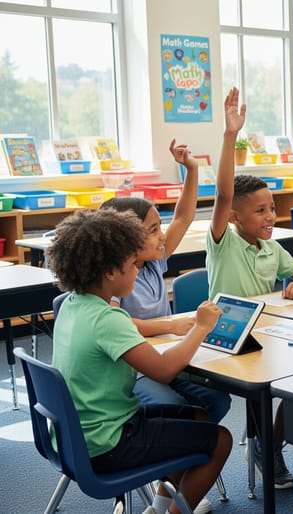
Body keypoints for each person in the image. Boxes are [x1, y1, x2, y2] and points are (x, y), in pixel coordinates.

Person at [48, 209, 231, 514]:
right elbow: (164, 370)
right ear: (109, 272)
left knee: (197, 416)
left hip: (77, 434)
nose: (137, 270)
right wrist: (200, 327)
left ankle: (158, 508)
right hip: (107, 443)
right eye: (133, 264)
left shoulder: (71, 305)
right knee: (221, 440)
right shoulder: (108, 319)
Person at [100, 141, 232, 500]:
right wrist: (170, 325)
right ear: (125, 240)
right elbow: (118, 322)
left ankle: (175, 480)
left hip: (167, 354)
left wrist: (190, 169)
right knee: (177, 411)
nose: (163, 236)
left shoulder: (153, 260)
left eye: (160, 228)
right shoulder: (114, 276)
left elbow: (184, 217)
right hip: (138, 366)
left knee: (216, 400)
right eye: (153, 230)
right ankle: (171, 491)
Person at [208, 87, 293, 489]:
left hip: (267, 330)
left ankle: (268, 444)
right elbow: (221, 193)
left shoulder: (270, 248)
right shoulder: (224, 241)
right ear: (234, 216)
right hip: (228, 334)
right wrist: (229, 135)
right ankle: (266, 449)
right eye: (260, 210)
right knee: (264, 383)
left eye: (272, 208)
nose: (271, 215)